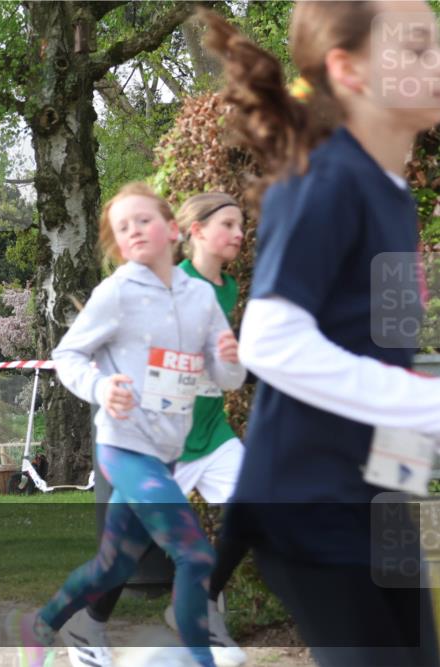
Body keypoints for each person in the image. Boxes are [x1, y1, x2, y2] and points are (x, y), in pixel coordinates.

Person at [201, 3, 440, 665]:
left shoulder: (392, 193)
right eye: (418, 48)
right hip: (311, 502)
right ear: (348, 69)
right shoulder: (327, 176)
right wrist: (427, 405)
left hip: (380, 498)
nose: (439, 63)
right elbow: (271, 340)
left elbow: (379, 351)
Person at [12, 181, 246, 667]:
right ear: (118, 245)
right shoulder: (117, 292)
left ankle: (40, 626)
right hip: (125, 449)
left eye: (144, 220)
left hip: (167, 452)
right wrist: (101, 388)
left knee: (113, 565)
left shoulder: (201, 298)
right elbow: (68, 355)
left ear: (173, 229)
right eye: (123, 227)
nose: (134, 230)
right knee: (195, 555)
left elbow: (225, 378)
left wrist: (230, 360)